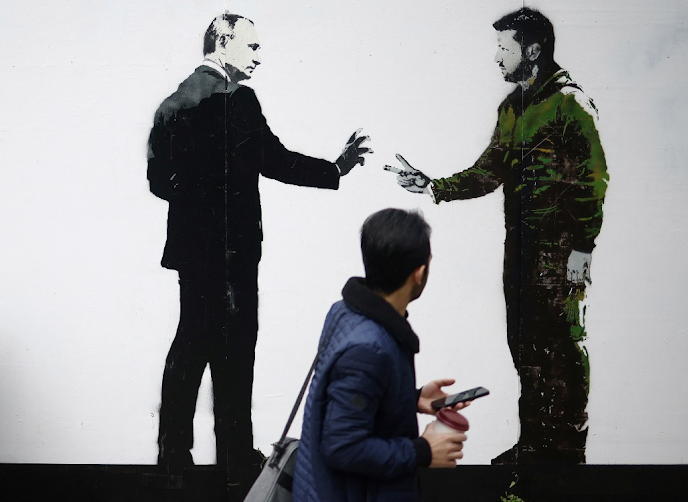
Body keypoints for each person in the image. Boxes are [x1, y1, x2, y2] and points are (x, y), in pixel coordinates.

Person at [146, 13, 371, 486]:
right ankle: (233, 456)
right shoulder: (239, 101)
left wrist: (196, 202)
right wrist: (336, 169)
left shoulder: (171, 105)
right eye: (251, 46)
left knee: (191, 343)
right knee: (235, 350)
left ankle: (173, 457)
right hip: (235, 252)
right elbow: (275, 159)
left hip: (194, 251)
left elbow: (157, 181)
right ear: (222, 44)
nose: (258, 55)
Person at [386, 8, 608, 464]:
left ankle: (566, 454)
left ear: (532, 50)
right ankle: (534, 447)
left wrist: (583, 248)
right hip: (521, 251)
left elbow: (594, 181)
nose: (496, 59)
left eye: (503, 48)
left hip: (561, 253)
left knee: (562, 349)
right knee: (525, 349)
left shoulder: (571, 104)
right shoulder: (511, 108)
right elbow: (489, 172)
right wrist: (433, 186)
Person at [293, 208, 467, 502]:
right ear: (419, 273)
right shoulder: (369, 348)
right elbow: (342, 446)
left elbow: (350, 400)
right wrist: (423, 450)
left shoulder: (346, 311)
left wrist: (412, 399)